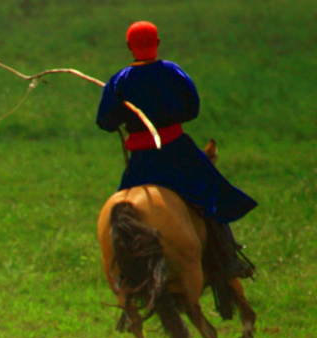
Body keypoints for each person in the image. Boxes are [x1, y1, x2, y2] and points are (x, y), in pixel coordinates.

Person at [96, 21, 255, 279]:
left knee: (123, 212)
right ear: (157, 43)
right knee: (211, 193)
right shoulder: (173, 71)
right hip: (178, 153)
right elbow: (192, 109)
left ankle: (123, 271)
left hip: (143, 162)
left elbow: (105, 122)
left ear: (129, 47)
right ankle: (228, 258)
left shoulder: (119, 80)